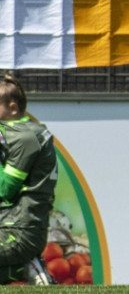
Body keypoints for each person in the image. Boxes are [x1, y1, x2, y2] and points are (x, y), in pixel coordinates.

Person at [0, 74, 55, 286]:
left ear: (13, 108)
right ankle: (25, 268)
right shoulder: (18, 133)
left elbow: (5, 189)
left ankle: (27, 265)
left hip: (18, 231)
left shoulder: (26, 137)